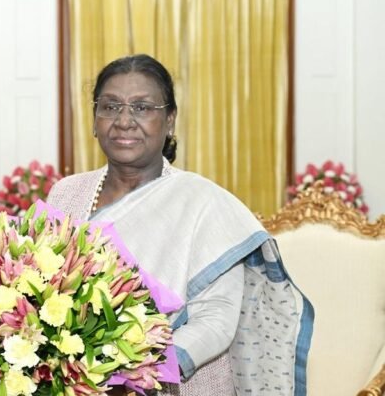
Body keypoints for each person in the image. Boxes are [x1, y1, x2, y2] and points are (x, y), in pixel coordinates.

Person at [47, 54, 313, 395]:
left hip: (177, 382)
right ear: (94, 119)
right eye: (110, 107)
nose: (124, 121)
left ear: (169, 120)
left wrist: (138, 373)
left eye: (142, 108)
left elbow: (217, 317)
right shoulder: (66, 195)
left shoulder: (204, 202)